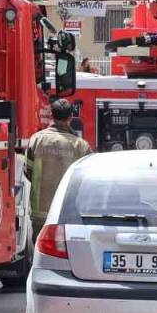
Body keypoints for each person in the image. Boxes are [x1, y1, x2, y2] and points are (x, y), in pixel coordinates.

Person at [28, 99, 92, 239]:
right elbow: (88, 182)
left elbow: (28, 172)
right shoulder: (81, 145)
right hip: (68, 213)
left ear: (52, 115)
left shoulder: (37, 140)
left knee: (41, 252)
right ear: (70, 117)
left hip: (40, 212)